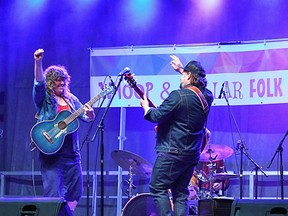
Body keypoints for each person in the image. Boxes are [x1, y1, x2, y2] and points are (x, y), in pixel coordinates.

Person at [140, 55, 214, 216]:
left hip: (172, 153)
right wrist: (182, 69)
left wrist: (146, 108)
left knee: (157, 187)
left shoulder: (178, 95)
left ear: (188, 76)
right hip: (191, 154)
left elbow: (156, 116)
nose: (180, 77)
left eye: (182, 75)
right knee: (180, 194)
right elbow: (200, 88)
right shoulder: (207, 97)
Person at [33, 48, 95, 213]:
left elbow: (86, 118)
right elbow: (38, 84)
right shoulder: (45, 99)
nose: (60, 83)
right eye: (56, 81)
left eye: (62, 81)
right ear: (50, 82)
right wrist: (38, 62)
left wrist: (90, 114)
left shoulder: (71, 99)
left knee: (76, 192)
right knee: (53, 195)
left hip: (72, 154)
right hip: (52, 154)